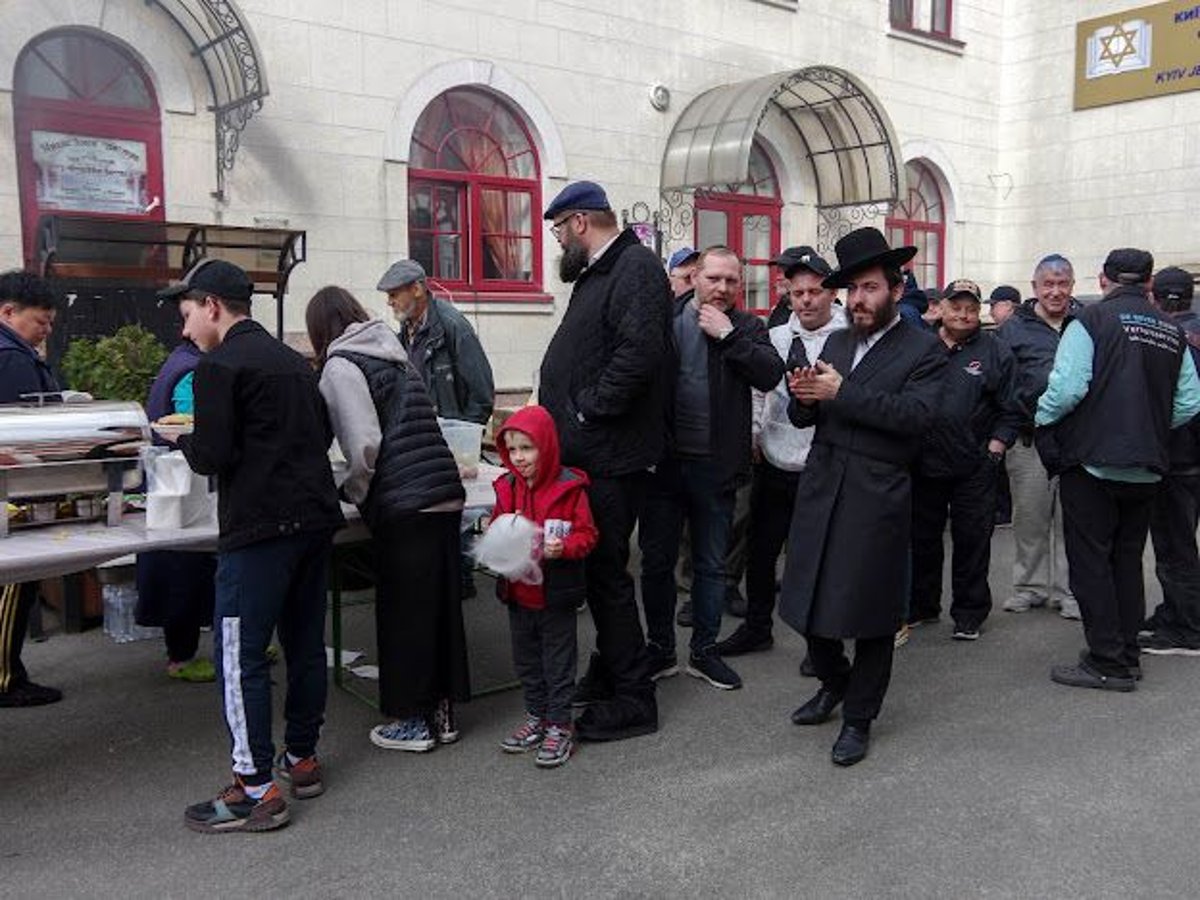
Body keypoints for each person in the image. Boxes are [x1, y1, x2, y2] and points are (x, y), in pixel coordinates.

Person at [166, 259, 345, 834]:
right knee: (304, 644)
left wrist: (181, 438)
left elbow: (214, 455)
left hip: (259, 530)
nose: (185, 329)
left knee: (239, 656)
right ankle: (302, 757)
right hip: (315, 522)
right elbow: (322, 434)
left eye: (188, 314)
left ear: (213, 306)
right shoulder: (296, 362)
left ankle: (254, 788)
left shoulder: (220, 366)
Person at [779, 227, 946, 767]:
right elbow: (816, 412)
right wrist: (805, 398)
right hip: (824, 482)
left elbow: (917, 420)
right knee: (806, 600)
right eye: (852, 290)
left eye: (869, 288)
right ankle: (834, 682)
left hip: (878, 492)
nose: (858, 300)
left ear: (896, 290)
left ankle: (858, 718)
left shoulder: (923, 348)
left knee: (871, 615)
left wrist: (842, 392)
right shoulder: (838, 340)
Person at [306, 286, 470, 752]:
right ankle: (443, 713)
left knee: (404, 614)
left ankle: (414, 722)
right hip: (440, 490)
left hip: (405, 499)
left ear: (320, 330)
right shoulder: (391, 350)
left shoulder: (341, 365)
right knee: (439, 610)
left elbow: (363, 445)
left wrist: (355, 490)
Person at [538, 180, 670, 741]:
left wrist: (587, 412)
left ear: (580, 222)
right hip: (591, 453)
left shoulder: (634, 266)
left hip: (611, 456)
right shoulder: (600, 272)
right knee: (601, 574)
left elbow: (639, 352)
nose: (556, 241)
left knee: (607, 574)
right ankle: (616, 670)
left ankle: (635, 698)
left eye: (557, 229)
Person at [1036, 249, 1200, 691]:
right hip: (1148, 467)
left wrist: (1041, 416)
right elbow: (1189, 402)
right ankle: (1126, 652)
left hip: (1093, 464)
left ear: (1103, 279)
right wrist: (1147, 427)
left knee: (1091, 564)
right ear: (1148, 284)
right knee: (1126, 562)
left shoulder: (1088, 322)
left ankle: (1107, 661)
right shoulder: (1172, 329)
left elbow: (1067, 388)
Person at [639, 246, 783, 690]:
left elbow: (769, 373)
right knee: (656, 562)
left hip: (715, 467)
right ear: (694, 278)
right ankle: (660, 650)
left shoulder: (747, 327)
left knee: (710, 564)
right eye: (713, 278)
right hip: (662, 466)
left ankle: (703, 651)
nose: (722, 288)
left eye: (731, 281)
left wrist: (728, 336)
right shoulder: (662, 320)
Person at [717, 247, 845, 658]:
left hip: (821, 466)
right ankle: (757, 628)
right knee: (761, 553)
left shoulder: (848, 339)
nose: (806, 300)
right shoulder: (774, 336)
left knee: (815, 560)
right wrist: (754, 433)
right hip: (775, 462)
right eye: (798, 292)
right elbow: (759, 391)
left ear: (831, 294)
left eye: (815, 292)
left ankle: (820, 645)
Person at [908, 279, 1021, 640]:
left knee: (972, 540)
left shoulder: (996, 351)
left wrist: (997, 446)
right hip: (924, 461)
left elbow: (1011, 407)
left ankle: (969, 614)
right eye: (956, 307)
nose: (963, 314)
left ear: (980, 312)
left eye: (971, 308)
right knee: (922, 538)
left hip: (974, 464)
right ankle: (922, 606)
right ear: (941, 308)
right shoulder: (919, 346)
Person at [491, 405, 598, 768]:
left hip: (556, 597)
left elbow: (588, 535)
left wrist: (564, 547)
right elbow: (494, 528)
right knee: (526, 662)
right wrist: (499, 536)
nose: (518, 458)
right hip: (518, 595)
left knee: (558, 663)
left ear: (547, 446)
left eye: (527, 448)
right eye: (512, 449)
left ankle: (560, 725)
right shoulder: (506, 487)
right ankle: (537, 717)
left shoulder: (570, 488)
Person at [997, 254, 1079, 619]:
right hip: (1029, 440)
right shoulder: (1013, 328)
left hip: (1078, 440)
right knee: (1029, 516)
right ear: (1035, 288)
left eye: (1062, 284)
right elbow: (1000, 381)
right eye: (1048, 284)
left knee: (1073, 520)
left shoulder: (1086, 323)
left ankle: (1070, 591)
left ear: (1073, 286)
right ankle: (1028, 586)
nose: (1056, 291)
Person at [135, 339, 216, 682]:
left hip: (177, 482)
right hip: (181, 482)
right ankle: (181, 658)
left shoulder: (180, 362)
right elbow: (191, 426)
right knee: (183, 570)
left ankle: (214, 645)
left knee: (192, 569)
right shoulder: (191, 371)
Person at [0, 270, 62, 708]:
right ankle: (6, 678)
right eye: (40, 322)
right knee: (14, 582)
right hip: (12, 489)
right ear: (8, 313)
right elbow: (24, 433)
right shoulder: (12, 358)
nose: (46, 331)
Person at [1142, 267, 1200, 655]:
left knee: (1175, 545)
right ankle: (1173, 611)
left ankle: (1188, 628)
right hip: (1192, 456)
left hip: (1176, 455)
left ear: (1154, 296)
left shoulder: (1164, 338)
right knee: (1179, 543)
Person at [378, 259, 495, 426]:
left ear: (417, 289)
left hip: (448, 439)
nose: (389, 302)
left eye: (394, 294)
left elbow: (482, 395)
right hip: (418, 435)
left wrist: (462, 435)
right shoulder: (406, 328)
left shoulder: (454, 326)